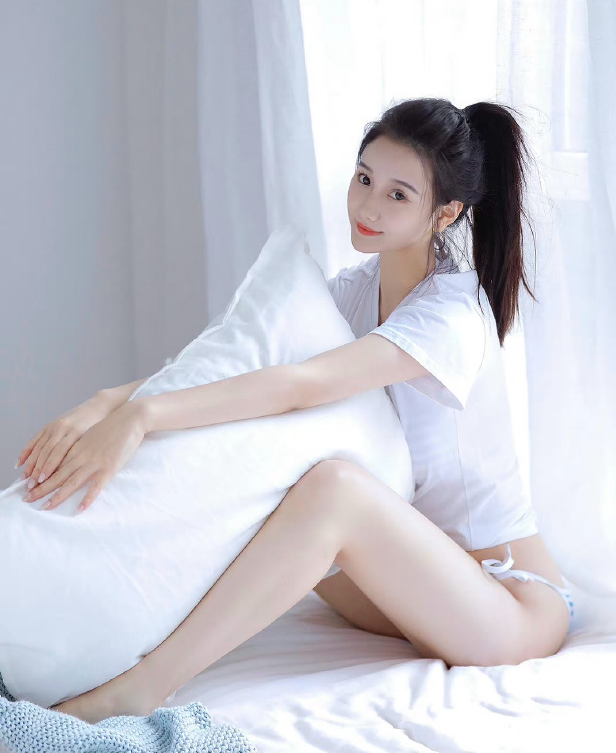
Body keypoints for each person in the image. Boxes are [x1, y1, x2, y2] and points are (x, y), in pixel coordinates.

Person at [19, 97, 574, 724]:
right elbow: (237, 368)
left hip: (505, 604)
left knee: (334, 488)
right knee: (264, 471)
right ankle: (87, 636)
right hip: (401, 588)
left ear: (444, 213)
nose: (367, 206)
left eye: (397, 195)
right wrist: (109, 403)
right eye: (364, 178)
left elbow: (302, 384)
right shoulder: (354, 292)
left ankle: (145, 685)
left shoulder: (452, 314)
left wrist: (144, 416)